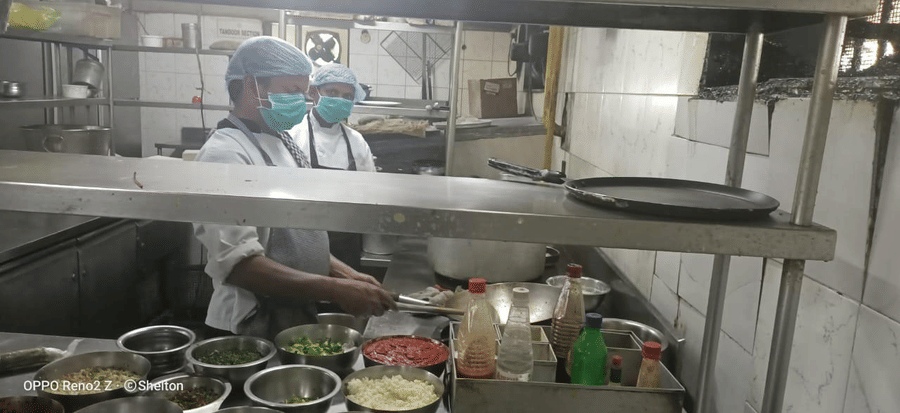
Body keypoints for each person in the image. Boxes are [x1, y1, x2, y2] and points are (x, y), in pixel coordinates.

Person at [192, 36, 395, 340]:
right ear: (251, 86)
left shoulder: (282, 142)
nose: (301, 101)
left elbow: (297, 240)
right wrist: (336, 289)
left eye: (303, 92)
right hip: (246, 328)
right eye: (291, 91)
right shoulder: (225, 154)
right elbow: (239, 266)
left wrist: (344, 273)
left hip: (290, 314)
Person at [287, 63, 375, 269]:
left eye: (346, 96)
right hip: (303, 239)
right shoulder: (293, 135)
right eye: (332, 92)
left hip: (347, 241)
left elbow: (370, 192)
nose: (339, 100)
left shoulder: (357, 141)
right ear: (313, 93)